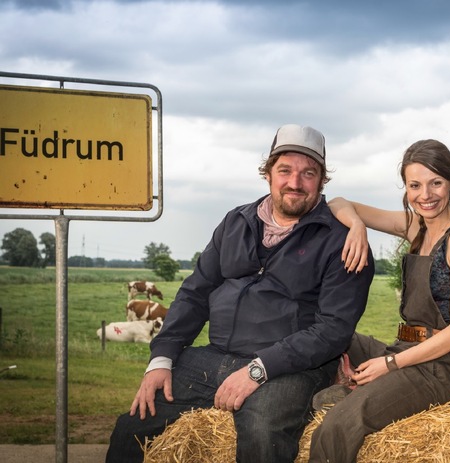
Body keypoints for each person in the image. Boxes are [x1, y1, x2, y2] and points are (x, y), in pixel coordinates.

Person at [105, 124, 375, 463]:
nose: (295, 182)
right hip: (214, 357)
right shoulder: (236, 222)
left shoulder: (341, 241)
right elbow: (195, 293)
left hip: (290, 368)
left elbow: (333, 330)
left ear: (322, 180)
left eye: (308, 173)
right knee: (131, 426)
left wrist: (258, 370)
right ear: (268, 174)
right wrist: (162, 358)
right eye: (285, 171)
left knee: (263, 434)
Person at [308, 139, 450, 462]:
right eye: (415, 185)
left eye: (436, 183)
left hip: (442, 366)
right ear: (405, 186)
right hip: (405, 347)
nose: (425, 195)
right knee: (332, 333)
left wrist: (388, 365)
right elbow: (338, 203)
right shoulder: (415, 227)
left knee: (338, 424)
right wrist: (357, 225)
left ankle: (349, 399)